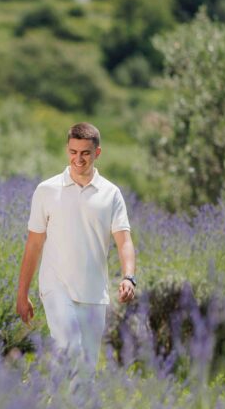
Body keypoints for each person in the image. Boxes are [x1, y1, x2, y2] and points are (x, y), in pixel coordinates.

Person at [16, 122, 136, 387]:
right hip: (56, 286)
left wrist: (129, 277)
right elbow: (34, 244)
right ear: (67, 149)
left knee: (87, 366)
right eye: (73, 152)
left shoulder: (111, 193)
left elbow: (124, 241)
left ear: (98, 153)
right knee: (70, 349)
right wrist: (22, 293)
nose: (78, 159)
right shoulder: (46, 190)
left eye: (85, 153)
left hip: (94, 292)